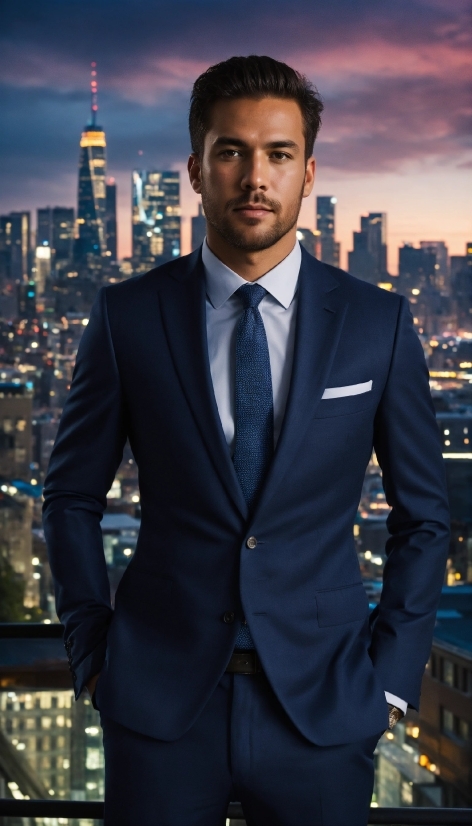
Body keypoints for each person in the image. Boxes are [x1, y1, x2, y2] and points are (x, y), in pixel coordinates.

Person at [43, 55, 450, 826]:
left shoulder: (378, 323)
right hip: (159, 706)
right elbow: (68, 499)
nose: (254, 177)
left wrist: (390, 682)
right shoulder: (127, 317)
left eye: (279, 154)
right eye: (231, 152)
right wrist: (94, 657)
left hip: (325, 711)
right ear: (197, 171)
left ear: (308, 171)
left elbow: (423, 518)